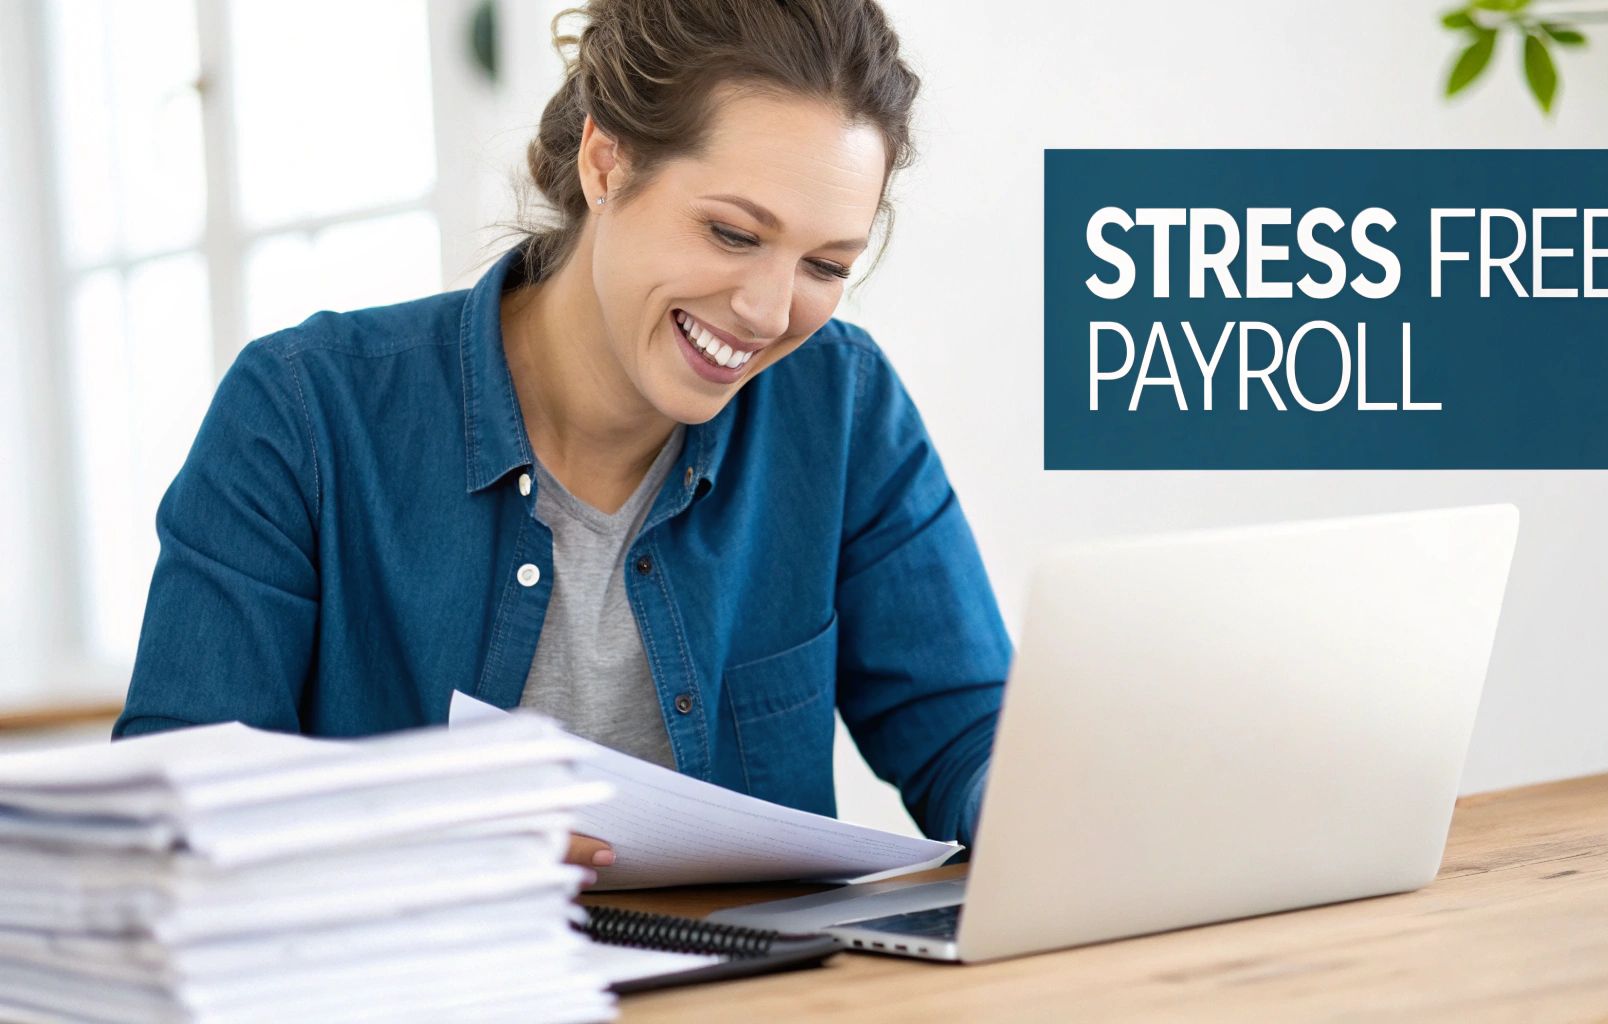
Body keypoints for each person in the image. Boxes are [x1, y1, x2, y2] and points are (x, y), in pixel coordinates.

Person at [114, 0, 1009, 886]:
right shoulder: (303, 415)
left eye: (825, 266)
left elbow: (970, 733)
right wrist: (409, 838)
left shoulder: (839, 404)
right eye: (733, 234)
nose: (770, 315)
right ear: (606, 163)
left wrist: (1059, 798)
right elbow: (176, 807)